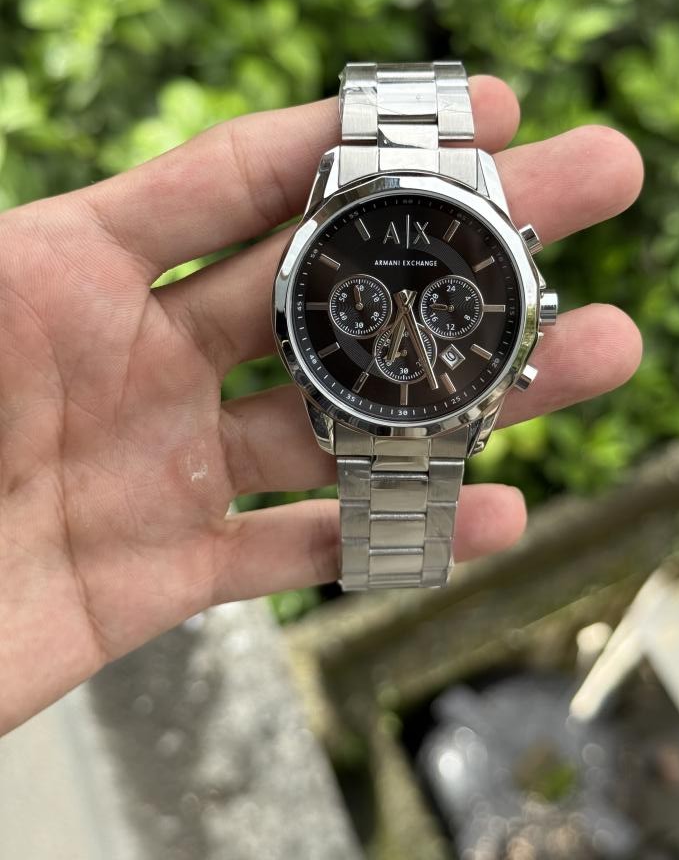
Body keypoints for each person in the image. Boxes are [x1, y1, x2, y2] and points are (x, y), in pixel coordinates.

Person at [0, 76, 643, 736]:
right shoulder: (332, 283)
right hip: (378, 399)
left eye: (433, 301)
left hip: (417, 400)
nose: (404, 304)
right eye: (386, 300)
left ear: (533, 311)